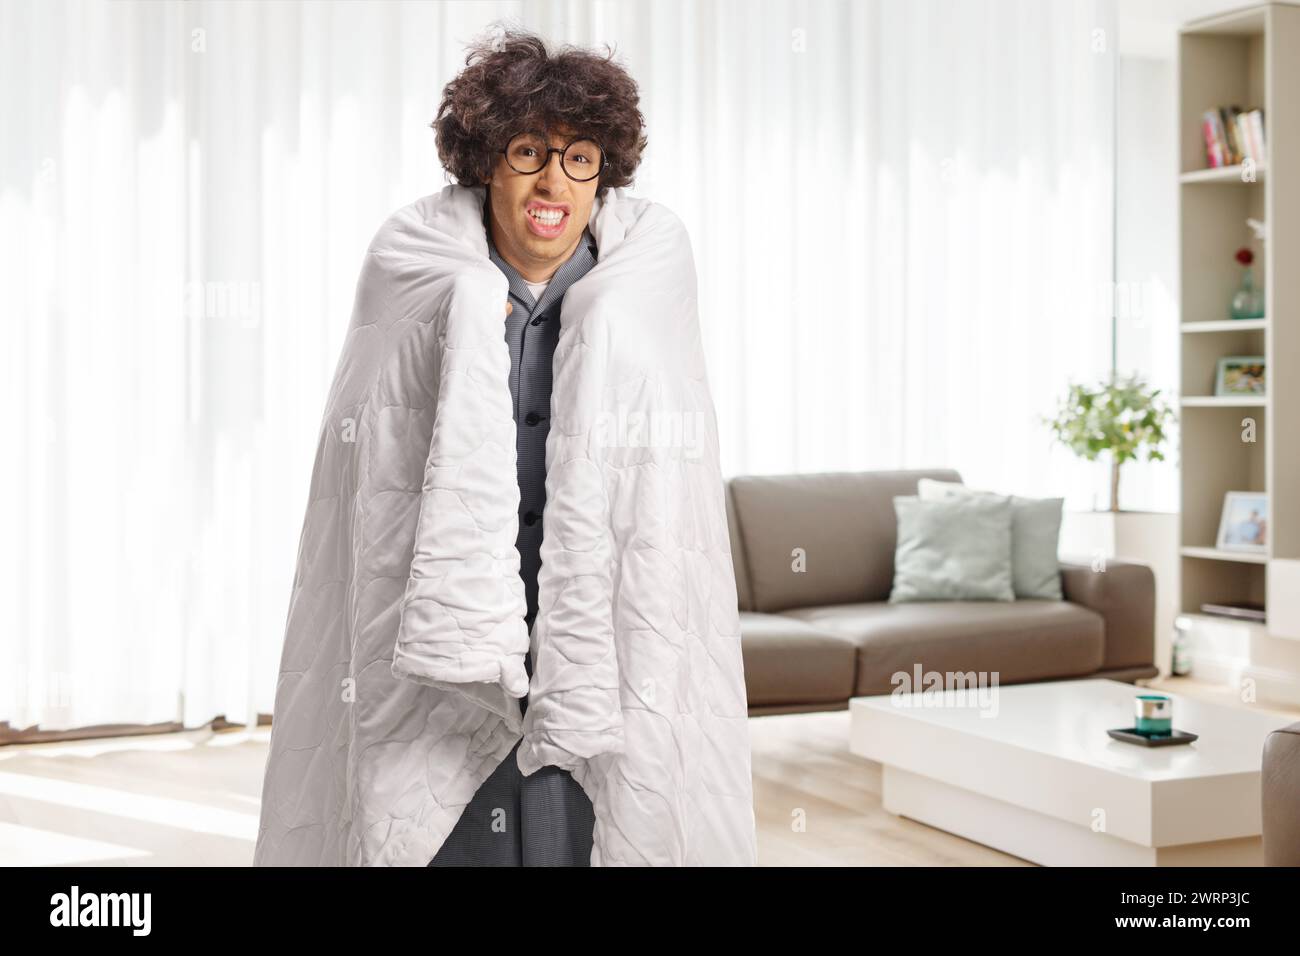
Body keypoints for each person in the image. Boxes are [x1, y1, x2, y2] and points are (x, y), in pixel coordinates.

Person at [424, 27, 648, 866]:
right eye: (529, 151)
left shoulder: (636, 294)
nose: (555, 179)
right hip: (459, 643)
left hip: (590, 636)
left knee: (578, 830)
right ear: (487, 163)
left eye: (580, 157)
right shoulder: (424, 277)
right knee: (454, 830)